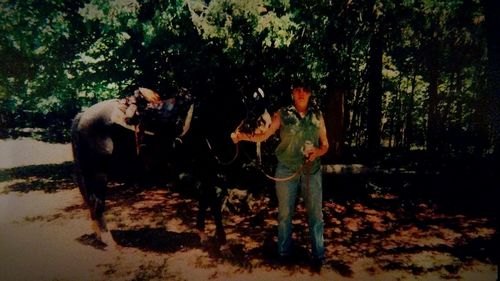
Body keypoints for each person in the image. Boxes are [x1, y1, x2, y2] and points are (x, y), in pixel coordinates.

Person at [231, 86, 329, 267]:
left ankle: (319, 255)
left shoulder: (318, 115)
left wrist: (317, 152)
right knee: (285, 214)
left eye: (305, 90)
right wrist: (241, 136)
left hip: (312, 171)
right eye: (298, 90)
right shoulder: (282, 114)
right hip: (286, 170)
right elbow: (264, 135)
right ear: (292, 93)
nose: (301, 93)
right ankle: (284, 253)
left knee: (316, 214)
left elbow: (325, 145)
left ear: (310, 93)